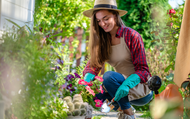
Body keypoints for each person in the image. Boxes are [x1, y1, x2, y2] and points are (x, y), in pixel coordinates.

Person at [82, 0, 153, 119]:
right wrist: (86, 81)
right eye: (99, 21)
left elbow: (143, 71)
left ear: (115, 15)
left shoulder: (131, 35)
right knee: (93, 89)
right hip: (118, 88)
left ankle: (129, 115)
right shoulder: (103, 40)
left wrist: (126, 85)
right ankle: (123, 107)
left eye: (106, 18)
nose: (102, 24)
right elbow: (93, 66)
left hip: (140, 89)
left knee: (108, 76)